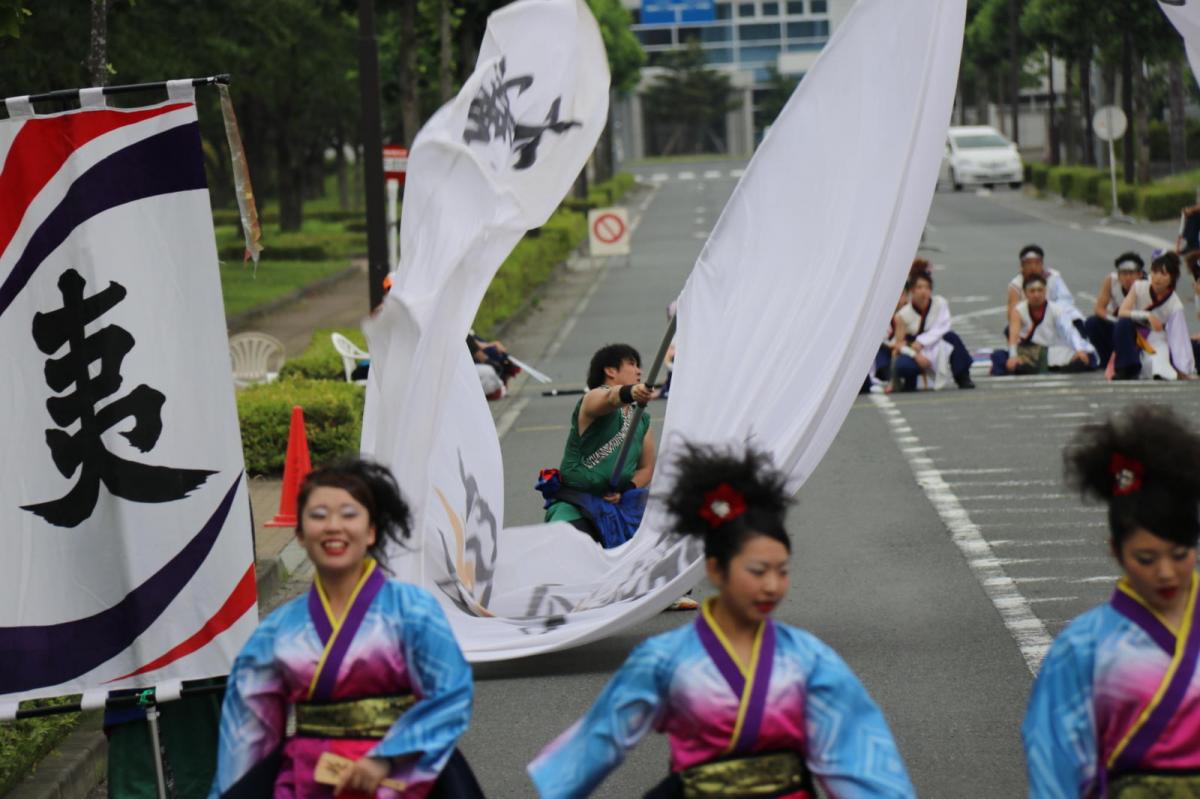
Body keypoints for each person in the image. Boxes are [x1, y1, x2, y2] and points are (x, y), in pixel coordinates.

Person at [528, 443, 916, 799]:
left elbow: (859, 758)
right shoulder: (665, 659)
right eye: (758, 570)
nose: (772, 586)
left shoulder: (809, 659)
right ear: (716, 569)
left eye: (782, 571)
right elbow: (597, 742)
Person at [209, 459, 482, 798]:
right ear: (299, 534)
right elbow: (249, 730)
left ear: (371, 531)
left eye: (349, 514)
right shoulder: (276, 632)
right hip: (310, 779)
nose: (333, 526)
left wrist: (385, 759)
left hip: (406, 775)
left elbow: (450, 694)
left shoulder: (413, 610)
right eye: (319, 515)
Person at [1023, 405, 1200, 797]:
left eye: (1180, 553)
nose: (1167, 573)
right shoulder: (1084, 647)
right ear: (1116, 551)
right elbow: (1054, 760)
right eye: (1146, 559)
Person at [538, 343, 655, 549]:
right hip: (577, 504)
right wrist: (631, 392)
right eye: (632, 363)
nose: (639, 370)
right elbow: (611, 397)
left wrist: (625, 489)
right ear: (610, 370)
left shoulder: (642, 419)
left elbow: (646, 468)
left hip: (618, 505)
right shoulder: (593, 398)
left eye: (639, 366)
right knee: (570, 558)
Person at [1113, 251, 1197, 381]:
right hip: (1134, 335)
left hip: (1156, 339)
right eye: (1155, 272)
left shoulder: (1175, 304)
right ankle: (1125, 369)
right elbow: (1122, 312)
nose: (1157, 277)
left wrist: (1184, 369)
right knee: (1123, 323)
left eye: (1163, 274)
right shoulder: (1139, 286)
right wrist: (1146, 316)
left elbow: (1179, 338)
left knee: (1157, 366)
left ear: (1172, 277)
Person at [991, 273, 1097, 375]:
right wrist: (1013, 356)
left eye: (1040, 290)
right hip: (1029, 353)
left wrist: (1079, 350)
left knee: (1089, 357)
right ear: (1025, 293)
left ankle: (1036, 369)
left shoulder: (1056, 309)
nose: (1036, 295)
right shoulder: (1018, 310)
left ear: (1045, 291)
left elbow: (1069, 330)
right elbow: (1013, 336)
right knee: (998, 356)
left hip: (1054, 349)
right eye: (1032, 291)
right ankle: (1025, 368)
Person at [890, 268, 975, 390]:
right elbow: (899, 344)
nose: (923, 291)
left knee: (952, 337)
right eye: (919, 287)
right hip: (914, 349)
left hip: (935, 344)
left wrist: (922, 342)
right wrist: (915, 355)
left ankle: (962, 377)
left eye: (927, 287)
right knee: (903, 365)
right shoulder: (903, 314)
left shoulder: (940, 303)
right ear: (912, 290)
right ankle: (910, 382)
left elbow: (943, 327)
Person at [1007, 244, 1087, 336]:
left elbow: (1066, 300)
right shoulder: (1016, 285)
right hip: (1030, 321)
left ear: (1042, 264)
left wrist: (1051, 313)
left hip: (1056, 317)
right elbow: (1012, 314)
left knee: (1074, 316)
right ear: (1022, 266)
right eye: (1029, 264)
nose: (1033, 267)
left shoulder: (1053, 277)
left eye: (1037, 263)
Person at [1084, 252, 1145, 368]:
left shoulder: (1147, 285)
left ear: (1140, 274)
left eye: (1131, 273)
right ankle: (1104, 359)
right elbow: (1099, 308)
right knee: (1092, 322)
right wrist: (1115, 321)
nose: (1127, 278)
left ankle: (1128, 364)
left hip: (1141, 331)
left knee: (1125, 325)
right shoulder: (1111, 280)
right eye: (1124, 273)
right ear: (1118, 275)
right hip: (1118, 323)